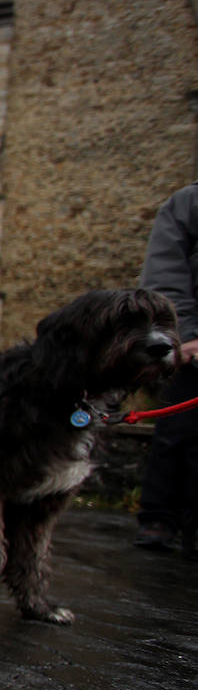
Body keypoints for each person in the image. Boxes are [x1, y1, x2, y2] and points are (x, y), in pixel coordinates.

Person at [136, 181, 198, 558]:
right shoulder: (188, 203)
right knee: (178, 431)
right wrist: (185, 334)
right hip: (192, 346)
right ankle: (159, 518)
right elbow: (166, 275)